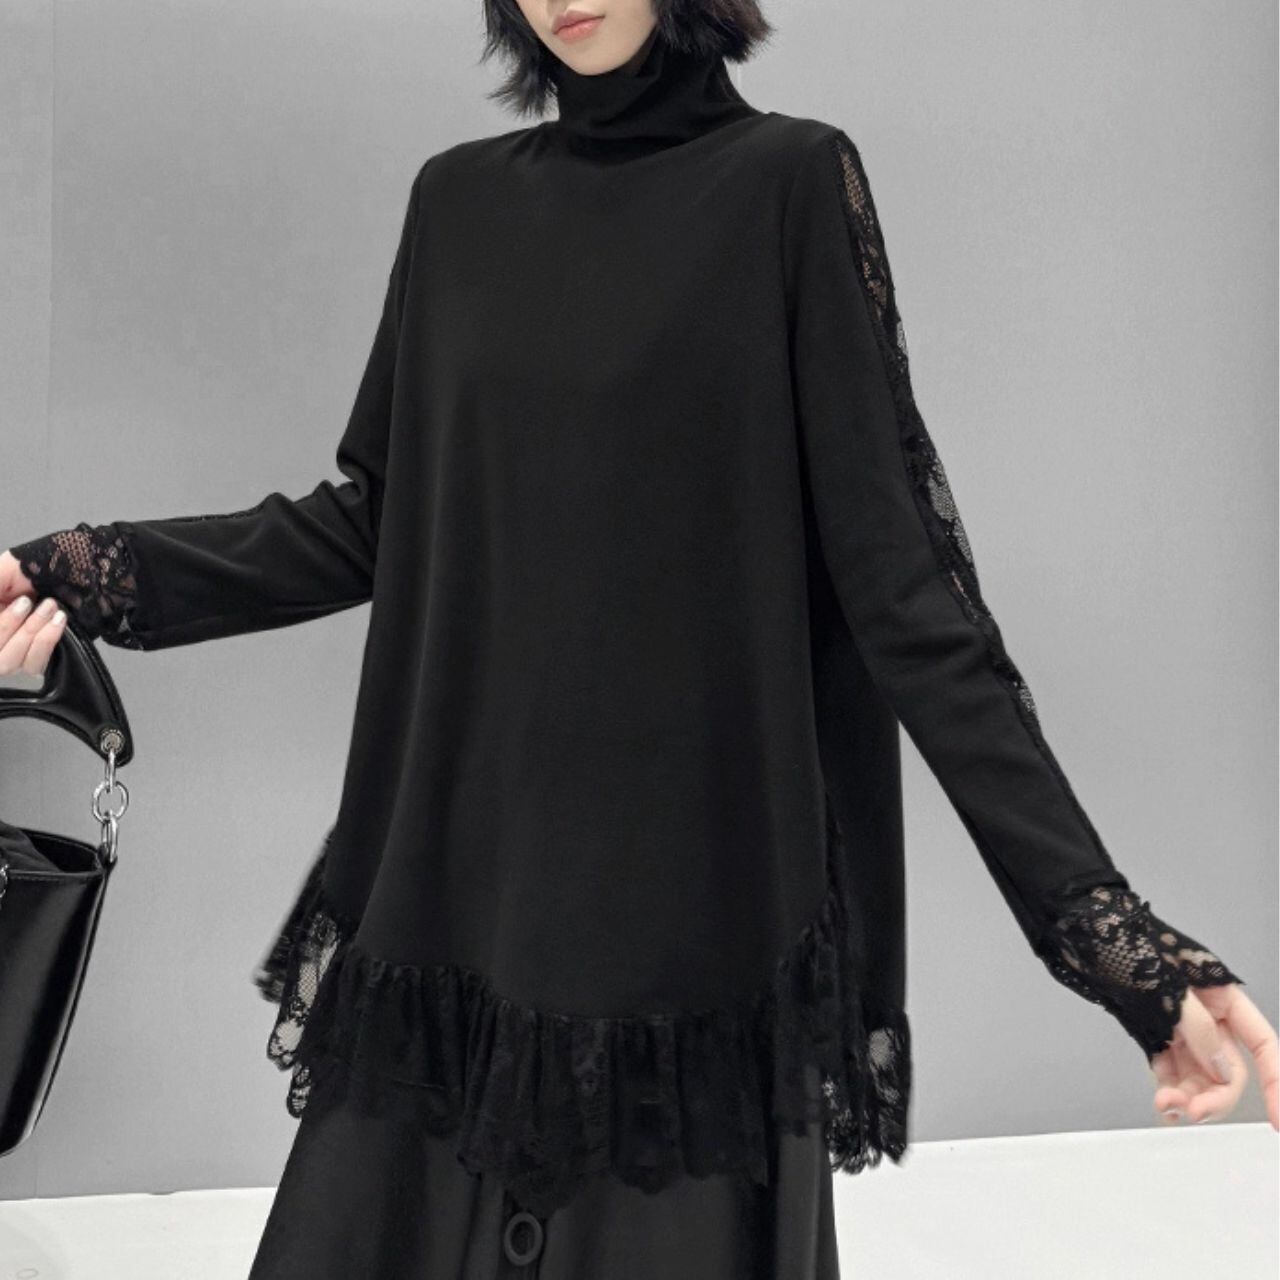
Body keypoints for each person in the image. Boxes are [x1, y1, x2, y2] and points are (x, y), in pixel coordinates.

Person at [3, 2, 1275, 1276]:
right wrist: (66, 572)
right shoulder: (458, 204)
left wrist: (1113, 941)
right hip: (457, 902)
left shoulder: (783, 186)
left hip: (687, 943)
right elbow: (376, 521)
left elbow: (906, 594)